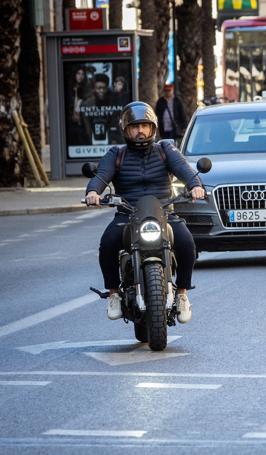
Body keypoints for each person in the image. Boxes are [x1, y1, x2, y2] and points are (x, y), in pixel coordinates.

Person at [85, 101, 205, 322]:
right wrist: (93, 192)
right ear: (126, 130)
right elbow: (101, 176)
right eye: (134, 126)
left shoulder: (165, 149)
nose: (140, 131)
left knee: (187, 242)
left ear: (153, 128)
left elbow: (184, 170)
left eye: (145, 126)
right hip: (127, 214)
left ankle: (182, 294)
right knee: (108, 244)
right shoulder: (116, 154)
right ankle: (113, 294)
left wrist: (195, 186)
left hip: (164, 213)